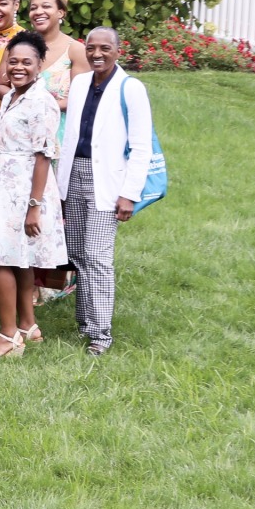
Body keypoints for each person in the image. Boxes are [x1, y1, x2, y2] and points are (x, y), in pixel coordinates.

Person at [56, 27, 152, 356]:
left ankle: (101, 333)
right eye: (91, 48)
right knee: (78, 254)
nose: (97, 54)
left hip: (107, 183)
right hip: (75, 175)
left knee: (98, 258)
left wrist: (129, 194)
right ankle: (85, 322)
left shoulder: (131, 89)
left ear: (118, 50)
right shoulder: (81, 83)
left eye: (105, 48)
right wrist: (60, 186)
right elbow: (70, 138)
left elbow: (141, 148)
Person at [0, 30, 70, 358]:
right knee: (19, 258)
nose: (18, 67)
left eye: (26, 62)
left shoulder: (41, 101)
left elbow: (44, 155)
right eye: (12, 61)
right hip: (3, 182)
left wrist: (34, 206)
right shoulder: (14, 96)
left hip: (25, 188)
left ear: (40, 64)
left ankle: (8, 336)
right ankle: (29, 325)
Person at [27, 0, 89, 109]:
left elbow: (82, 97)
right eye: (34, 8)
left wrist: (41, 108)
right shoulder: (21, 46)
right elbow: (1, 86)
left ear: (61, 12)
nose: (38, 12)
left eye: (46, 6)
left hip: (59, 125)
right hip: (20, 124)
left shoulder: (75, 50)